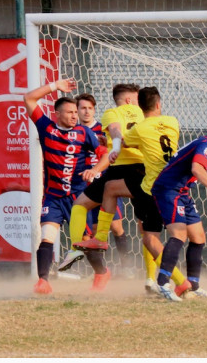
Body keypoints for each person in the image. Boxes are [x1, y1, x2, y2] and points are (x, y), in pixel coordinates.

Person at [74, 86, 191, 297]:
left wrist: (114, 145)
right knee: (149, 236)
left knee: (88, 200)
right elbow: (135, 139)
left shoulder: (115, 114)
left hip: (130, 173)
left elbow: (119, 134)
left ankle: (95, 242)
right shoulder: (164, 121)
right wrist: (111, 142)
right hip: (159, 178)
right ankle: (174, 280)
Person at [24, 78, 109, 294]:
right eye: (70, 112)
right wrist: (54, 87)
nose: (75, 115)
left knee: (84, 242)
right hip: (52, 196)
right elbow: (29, 98)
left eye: (76, 112)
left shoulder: (84, 133)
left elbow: (106, 156)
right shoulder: (46, 127)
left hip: (77, 198)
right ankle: (43, 281)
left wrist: (95, 170)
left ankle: (101, 273)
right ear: (58, 114)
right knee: (46, 237)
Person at [151, 114, 207, 301]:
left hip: (182, 192)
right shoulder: (206, 146)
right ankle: (162, 283)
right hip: (169, 190)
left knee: (198, 236)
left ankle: (193, 285)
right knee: (178, 234)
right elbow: (197, 169)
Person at [58, 93, 133, 276]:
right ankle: (99, 271)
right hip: (84, 187)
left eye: (89, 108)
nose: (85, 112)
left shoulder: (104, 129)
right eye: (82, 108)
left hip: (107, 184)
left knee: (116, 226)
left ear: (94, 110)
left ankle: (127, 266)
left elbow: (115, 150)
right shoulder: (72, 131)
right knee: (89, 232)